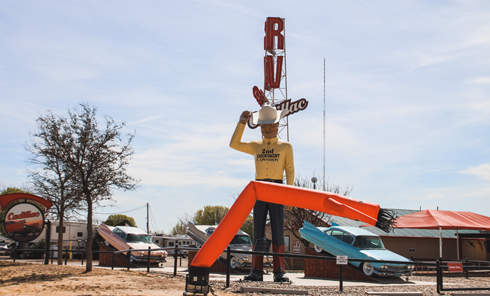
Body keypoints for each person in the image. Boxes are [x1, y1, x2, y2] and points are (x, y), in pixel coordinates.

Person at [229, 102, 294, 282]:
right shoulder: (256, 145)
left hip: (278, 189)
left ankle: (279, 271)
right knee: (258, 228)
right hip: (259, 189)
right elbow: (234, 144)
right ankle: (256, 271)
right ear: (259, 127)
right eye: (264, 125)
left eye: (271, 125)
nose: (268, 128)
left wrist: (289, 194)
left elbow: (290, 170)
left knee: (278, 230)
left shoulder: (286, 146)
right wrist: (242, 123)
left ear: (278, 125)